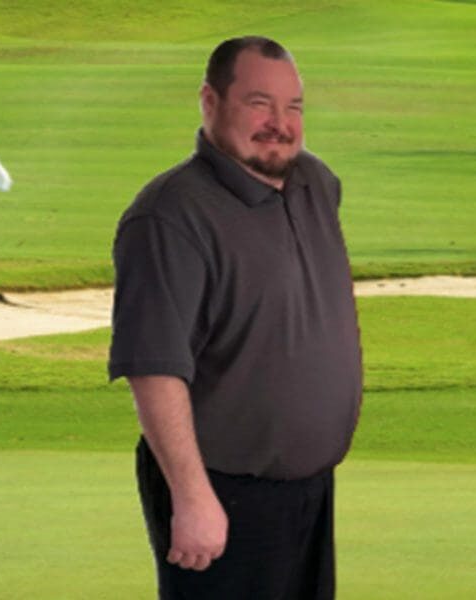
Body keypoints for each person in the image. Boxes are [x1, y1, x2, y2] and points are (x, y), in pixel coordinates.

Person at [109, 36, 362, 600]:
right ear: (209, 101)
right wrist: (193, 498)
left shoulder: (316, 185)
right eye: (258, 103)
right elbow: (153, 368)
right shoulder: (169, 217)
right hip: (223, 492)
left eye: (293, 106)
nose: (280, 122)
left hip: (310, 491)